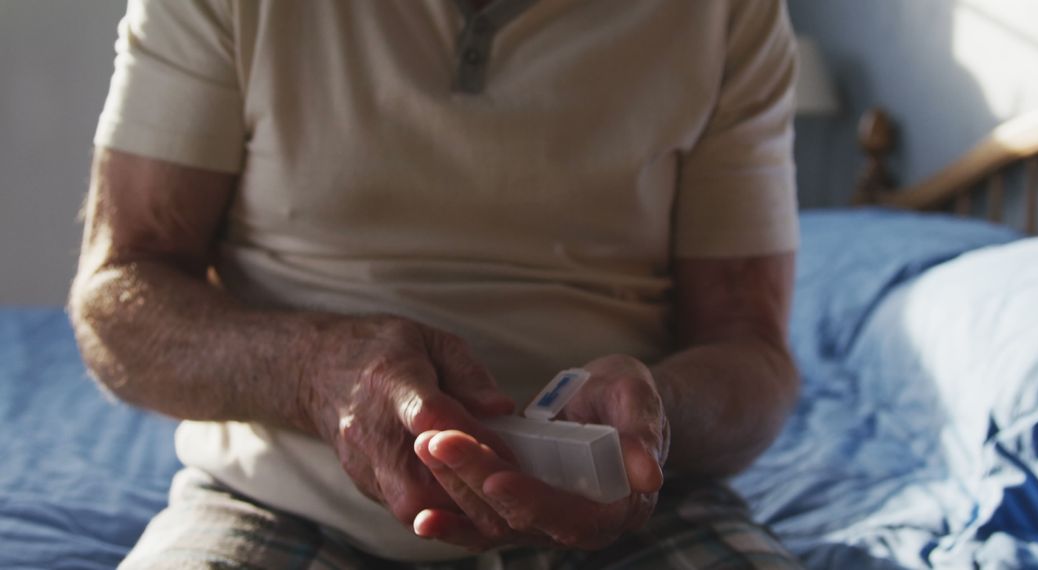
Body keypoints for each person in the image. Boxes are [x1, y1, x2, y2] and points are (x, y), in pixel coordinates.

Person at [69, 0, 803, 567]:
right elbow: (117, 298)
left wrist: (654, 423)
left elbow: (751, 351)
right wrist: (313, 372)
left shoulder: (728, 13)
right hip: (279, 502)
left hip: (635, 510)